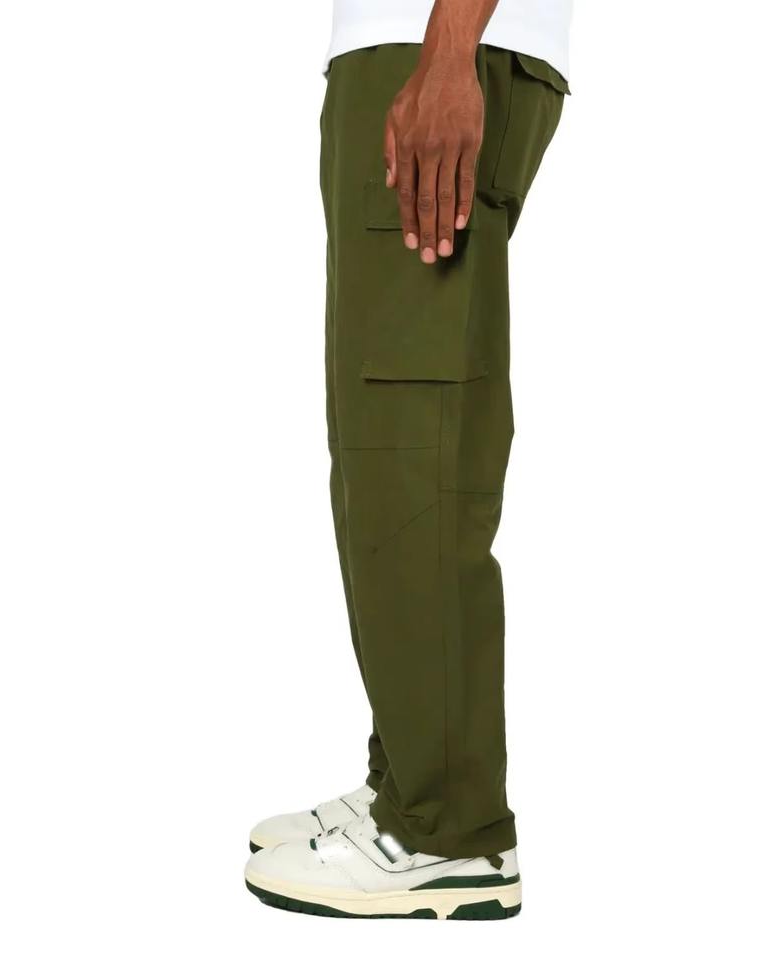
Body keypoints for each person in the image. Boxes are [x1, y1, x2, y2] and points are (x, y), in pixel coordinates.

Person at [244, 0, 571, 920]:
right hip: (413, 48)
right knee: (382, 446)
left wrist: (449, 49)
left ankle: (444, 829)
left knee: (414, 449)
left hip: (439, 46)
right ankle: (407, 784)